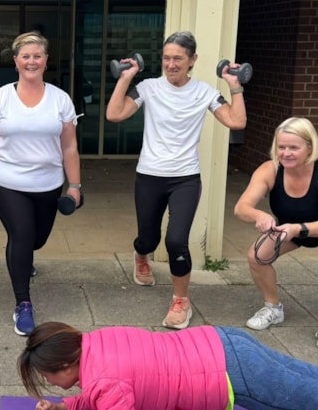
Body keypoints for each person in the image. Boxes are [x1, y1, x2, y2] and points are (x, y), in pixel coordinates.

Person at [105, 31, 246, 329]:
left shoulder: (205, 92)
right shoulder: (148, 87)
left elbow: (236, 121)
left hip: (185, 178)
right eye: (166, 58)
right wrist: (125, 78)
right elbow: (114, 114)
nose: (170, 64)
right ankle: (141, 255)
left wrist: (235, 86)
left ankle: (181, 300)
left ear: (192, 60)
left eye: (178, 59)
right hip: (149, 175)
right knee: (149, 238)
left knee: (176, 241)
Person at [18, 321, 318, 410]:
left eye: (50, 379)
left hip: (231, 380)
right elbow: (105, 394)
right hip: (222, 341)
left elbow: (112, 397)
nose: (54, 386)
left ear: (66, 363)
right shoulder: (99, 338)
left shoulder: (103, 380)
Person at [0, 31, 82, 337]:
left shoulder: (60, 100)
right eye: (25, 56)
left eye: (37, 56)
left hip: (47, 183)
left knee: (36, 240)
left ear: (46, 61)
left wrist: (75, 186)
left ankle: (24, 258)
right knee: (21, 234)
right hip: (6, 180)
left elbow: (70, 147)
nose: (31, 61)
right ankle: (23, 303)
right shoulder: (0, 98)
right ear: (16, 61)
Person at [234, 116, 318, 351]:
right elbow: (241, 207)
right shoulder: (269, 169)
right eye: (281, 147)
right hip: (290, 227)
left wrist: (299, 229)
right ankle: (273, 308)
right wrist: (260, 216)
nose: (286, 153)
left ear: (310, 147)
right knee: (257, 257)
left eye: (294, 147)